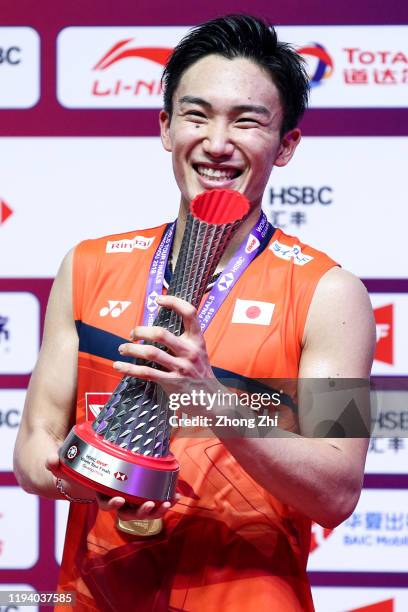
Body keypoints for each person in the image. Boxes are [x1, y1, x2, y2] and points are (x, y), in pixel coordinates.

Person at [14, 14, 375, 612]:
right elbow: (34, 449)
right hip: (93, 596)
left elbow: (337, 490)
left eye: (247, 121)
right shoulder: (88, 266)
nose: (216, 142)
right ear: (165, 126)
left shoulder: (332, 295)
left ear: (286, 145)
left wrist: (210, 396)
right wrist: (94, 481)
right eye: (197, 114)